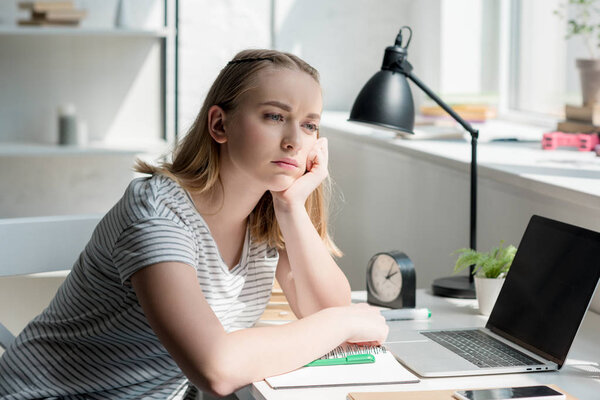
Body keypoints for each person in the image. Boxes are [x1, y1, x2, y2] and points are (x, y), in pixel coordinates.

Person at [0, 49, 388, 399]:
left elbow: (330, 312)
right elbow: (216, 370)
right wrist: (345, 321)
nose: (294, 141)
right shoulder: (156, 212)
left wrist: (291, 207)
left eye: (309, 125)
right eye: (274, 116)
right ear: (219, 125)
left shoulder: (269, 214)